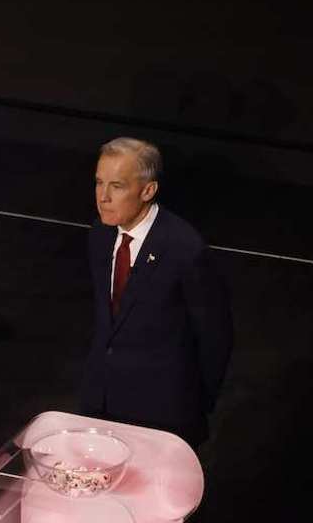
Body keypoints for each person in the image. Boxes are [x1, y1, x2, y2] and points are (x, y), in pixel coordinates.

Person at [81, 137, 233, 447]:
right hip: (102, 404)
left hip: (162, 416)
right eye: (99, 183)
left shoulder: (184, 249)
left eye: (117, 186)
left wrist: (194, 403)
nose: (103, 197)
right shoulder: (100, 234)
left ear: (148, 190)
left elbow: (216, 336)